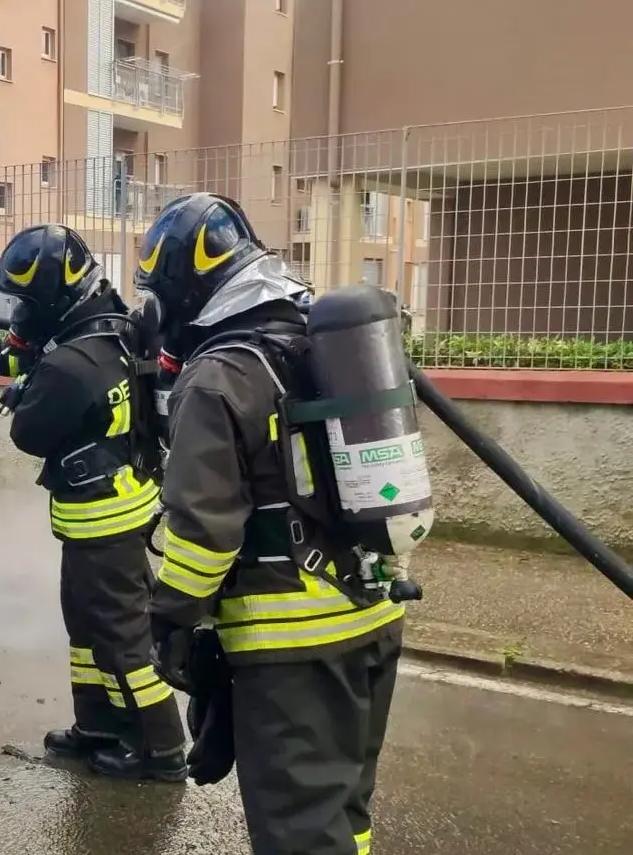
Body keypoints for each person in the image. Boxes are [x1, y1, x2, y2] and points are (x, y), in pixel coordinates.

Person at [133, 192, 405, 855]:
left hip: (293, 644)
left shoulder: (218, 376)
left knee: (299, 831)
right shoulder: (313, 343)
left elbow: (202, 532)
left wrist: (171, 619)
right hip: (373, 610)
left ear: (184, 294)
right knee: (344, 810)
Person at [0, 223, 188, 782]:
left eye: (26, 302)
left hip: (103, 521)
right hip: (115, 509)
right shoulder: (107, 328)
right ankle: (98, 725)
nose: (18, 313)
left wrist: (22, 393)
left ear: (53, 299)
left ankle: (159, 747)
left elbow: (30, 433)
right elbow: (22, 353)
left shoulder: (69, 366)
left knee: (120, 638)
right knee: (87, 630)